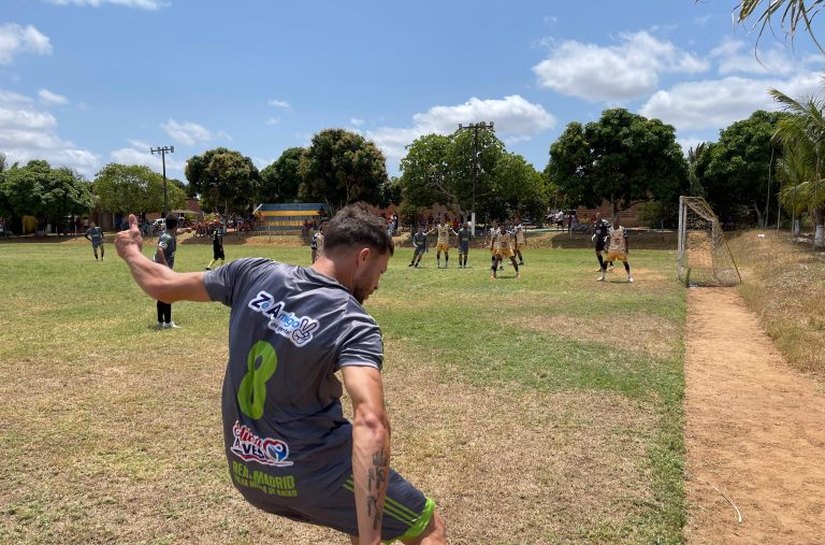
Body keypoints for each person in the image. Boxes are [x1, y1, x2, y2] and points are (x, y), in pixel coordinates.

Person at [115, 204, 446, 545]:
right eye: (380, 272)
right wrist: (372, 536)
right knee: (427, 526)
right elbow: (371, 422)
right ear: (363, 257)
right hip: (312, 474)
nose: (377, 284)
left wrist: (130, 252)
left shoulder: (252, 273)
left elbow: (162, 284)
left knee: (355, 504)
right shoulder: (353, 322)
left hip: (250, 474)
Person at [153, 214, 189, 329]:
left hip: (159, 269)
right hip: (162, 269)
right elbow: (159, 250)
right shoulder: (167, 237)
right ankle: (167, 322)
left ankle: (160, 321)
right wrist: (166, 267)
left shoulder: (170, 233)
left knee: (162, 295)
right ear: (175, 224)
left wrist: (186, 230)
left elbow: (177, 232)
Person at [601, 217, 633, 283]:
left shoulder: (623, 229)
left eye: (617, 221)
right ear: (613, 222)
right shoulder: (610, 229)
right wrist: (606, 246)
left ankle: (629, 277)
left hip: (620, 249)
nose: (616, 222)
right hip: (612, 248)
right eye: (614, 221)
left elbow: (626, 238)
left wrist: (627, 248)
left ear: (619, 221)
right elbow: (608, 238)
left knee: (625, 262)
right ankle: (603, 276)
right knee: (605, 262)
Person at [592, 212, 612, 276]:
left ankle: (611, 264)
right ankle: (601, 266)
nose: (598, 217)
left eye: (599, 215)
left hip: (604, 239)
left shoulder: (605, 222)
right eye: (597, 216)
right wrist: (594, 236)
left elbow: (610, 229)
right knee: (597, 252)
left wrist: (608, 236)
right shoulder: (595, 223)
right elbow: (595, 231)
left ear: (601, 216)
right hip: (599, 240)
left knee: (606, 251)